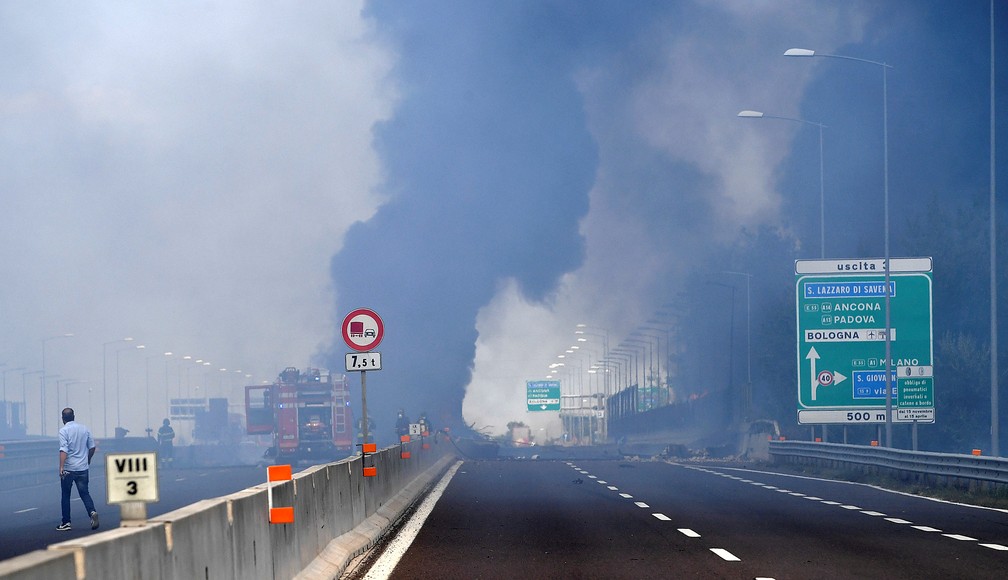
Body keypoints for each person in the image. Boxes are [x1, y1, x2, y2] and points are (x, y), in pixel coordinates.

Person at [57, 408, 98, 531]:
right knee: (85, 493)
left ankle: (66, 522)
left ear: (62, 419)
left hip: (69, 469)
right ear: (74, 416)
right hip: (82, 468)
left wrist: (61, 467)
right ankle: (92, 512)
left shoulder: (63, 431)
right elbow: (92, 447)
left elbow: (64, 449)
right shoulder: (85, 429)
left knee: (66, 495)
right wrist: (88, 459)